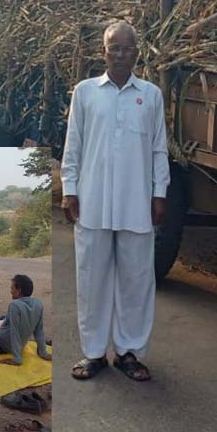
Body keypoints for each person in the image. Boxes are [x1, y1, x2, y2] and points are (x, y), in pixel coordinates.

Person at [62, 20, 169, 382]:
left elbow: (159, 149)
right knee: (91, 280)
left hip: (137, 203)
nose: (120, 55)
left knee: (136, 281)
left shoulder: (151, 95)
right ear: (103, 52)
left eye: (127, 49)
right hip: (92, 202)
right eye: (114, 48)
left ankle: (129, 353)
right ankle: (93, 354)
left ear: (137, 53)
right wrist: (69, 188)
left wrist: (159, 194)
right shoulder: (86, 92)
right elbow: (73, 144)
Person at [0, 275, 50, 366]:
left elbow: (15, 332)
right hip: (21, 343)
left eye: (12, 288)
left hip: (4, 344)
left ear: (19, 291)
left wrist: (17, 358)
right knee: (2, 318)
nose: (11, 291)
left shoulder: (15, 305)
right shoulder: (38, 303)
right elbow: (39, 330)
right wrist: (43, 352)